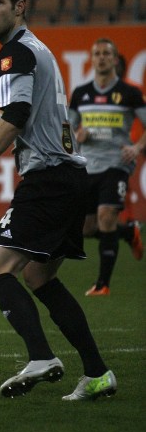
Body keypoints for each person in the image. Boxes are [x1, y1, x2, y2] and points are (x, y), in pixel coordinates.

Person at [0, 0, 116, 401]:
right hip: (71, 176)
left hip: (50, 179)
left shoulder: (15, 53)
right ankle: (97, 373)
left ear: (19, 6)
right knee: (39, 276)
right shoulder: (38, 48)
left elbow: (14, 116)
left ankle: (41, 357)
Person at [69, 38, 146, 296]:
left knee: (106, 217)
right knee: (87, 228)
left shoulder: (129, 93)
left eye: (106, 53)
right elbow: (66, 129)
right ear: (92, 59)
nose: (101, 58)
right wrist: (77, 135)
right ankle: (128, 232)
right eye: (97, 53)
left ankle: (102, 285)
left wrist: (135, 148)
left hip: (116, 164)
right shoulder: (81, 93)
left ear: (115, 59)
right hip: (88, 166)